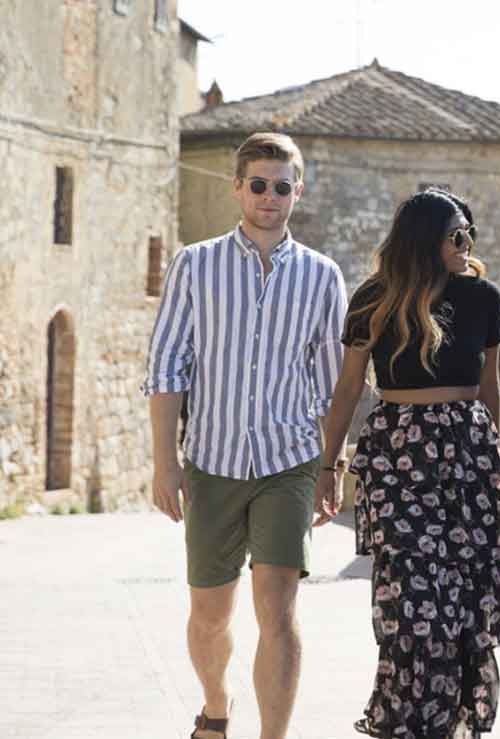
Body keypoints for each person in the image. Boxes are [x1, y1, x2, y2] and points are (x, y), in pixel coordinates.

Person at [143, 132, 348, 739]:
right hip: (210, 461)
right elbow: (166, 367)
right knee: (210, 615)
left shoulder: (322, 276)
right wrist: (164, 464)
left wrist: (331, 470)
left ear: (297, 192)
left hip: (289, 463)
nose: (269, 197)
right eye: (258, 184)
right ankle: (215, 708)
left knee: (278, 613)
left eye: (282, 186)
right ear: (237, 187)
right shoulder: (194, 265)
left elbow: (335, 387)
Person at [315, 189, 500, 739]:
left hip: (467, 455)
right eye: (456, 235)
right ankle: (409, 724)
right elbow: (346, 390)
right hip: (395, 455)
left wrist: (496, 470)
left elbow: (489, 391)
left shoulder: (482, 297)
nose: (466, 245)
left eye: (469, 235)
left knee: (462, 604)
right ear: (425, 239)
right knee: (410, 605)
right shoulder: (373, 299)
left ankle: (453, 724)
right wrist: (329, 463)